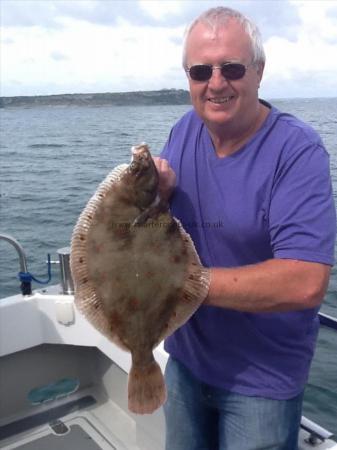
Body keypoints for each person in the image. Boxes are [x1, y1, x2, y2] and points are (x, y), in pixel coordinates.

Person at [154, 6, 337, 450]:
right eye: (200, 71)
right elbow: (156, 230)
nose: (216, 83)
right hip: (185, 362)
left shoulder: (297, 152)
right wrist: (157, 194)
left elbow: (305, 283)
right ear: (188, 78)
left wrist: (186, 284)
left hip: (262, 379)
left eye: (231, 68)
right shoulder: (184, 130)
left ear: (258, 72)